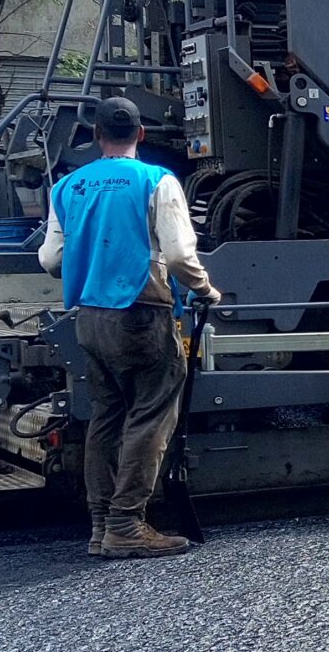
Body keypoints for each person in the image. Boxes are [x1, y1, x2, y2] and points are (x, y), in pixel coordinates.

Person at [38, 98, 219, 558]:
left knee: (106, 416)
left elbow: (51, 260)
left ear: (96, 135)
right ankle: (127, 524)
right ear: (141, 134)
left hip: (90, 316)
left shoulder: (68, 185)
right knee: (151, 413)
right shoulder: (156, 180)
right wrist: (205, 290)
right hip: (141, 311)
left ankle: (101, 526)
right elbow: (178, 256)